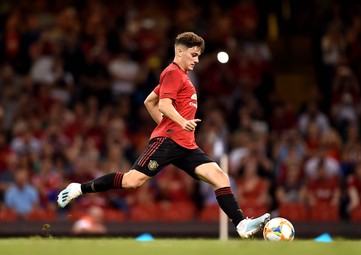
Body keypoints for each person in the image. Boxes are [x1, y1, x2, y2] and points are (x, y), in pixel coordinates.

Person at [57, 32, 270, 238]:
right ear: (179, 51)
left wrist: (166, 123)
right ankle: (78, 188)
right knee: (133, 182)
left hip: (186, 144)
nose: (197, 60)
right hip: (168, 141)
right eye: (193, 55)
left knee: (220, 176)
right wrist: (178, 123)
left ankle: (241, 225)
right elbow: (165, 105)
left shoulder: (179, 77)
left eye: (199, 56)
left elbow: (149, 101)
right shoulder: (172, 73)